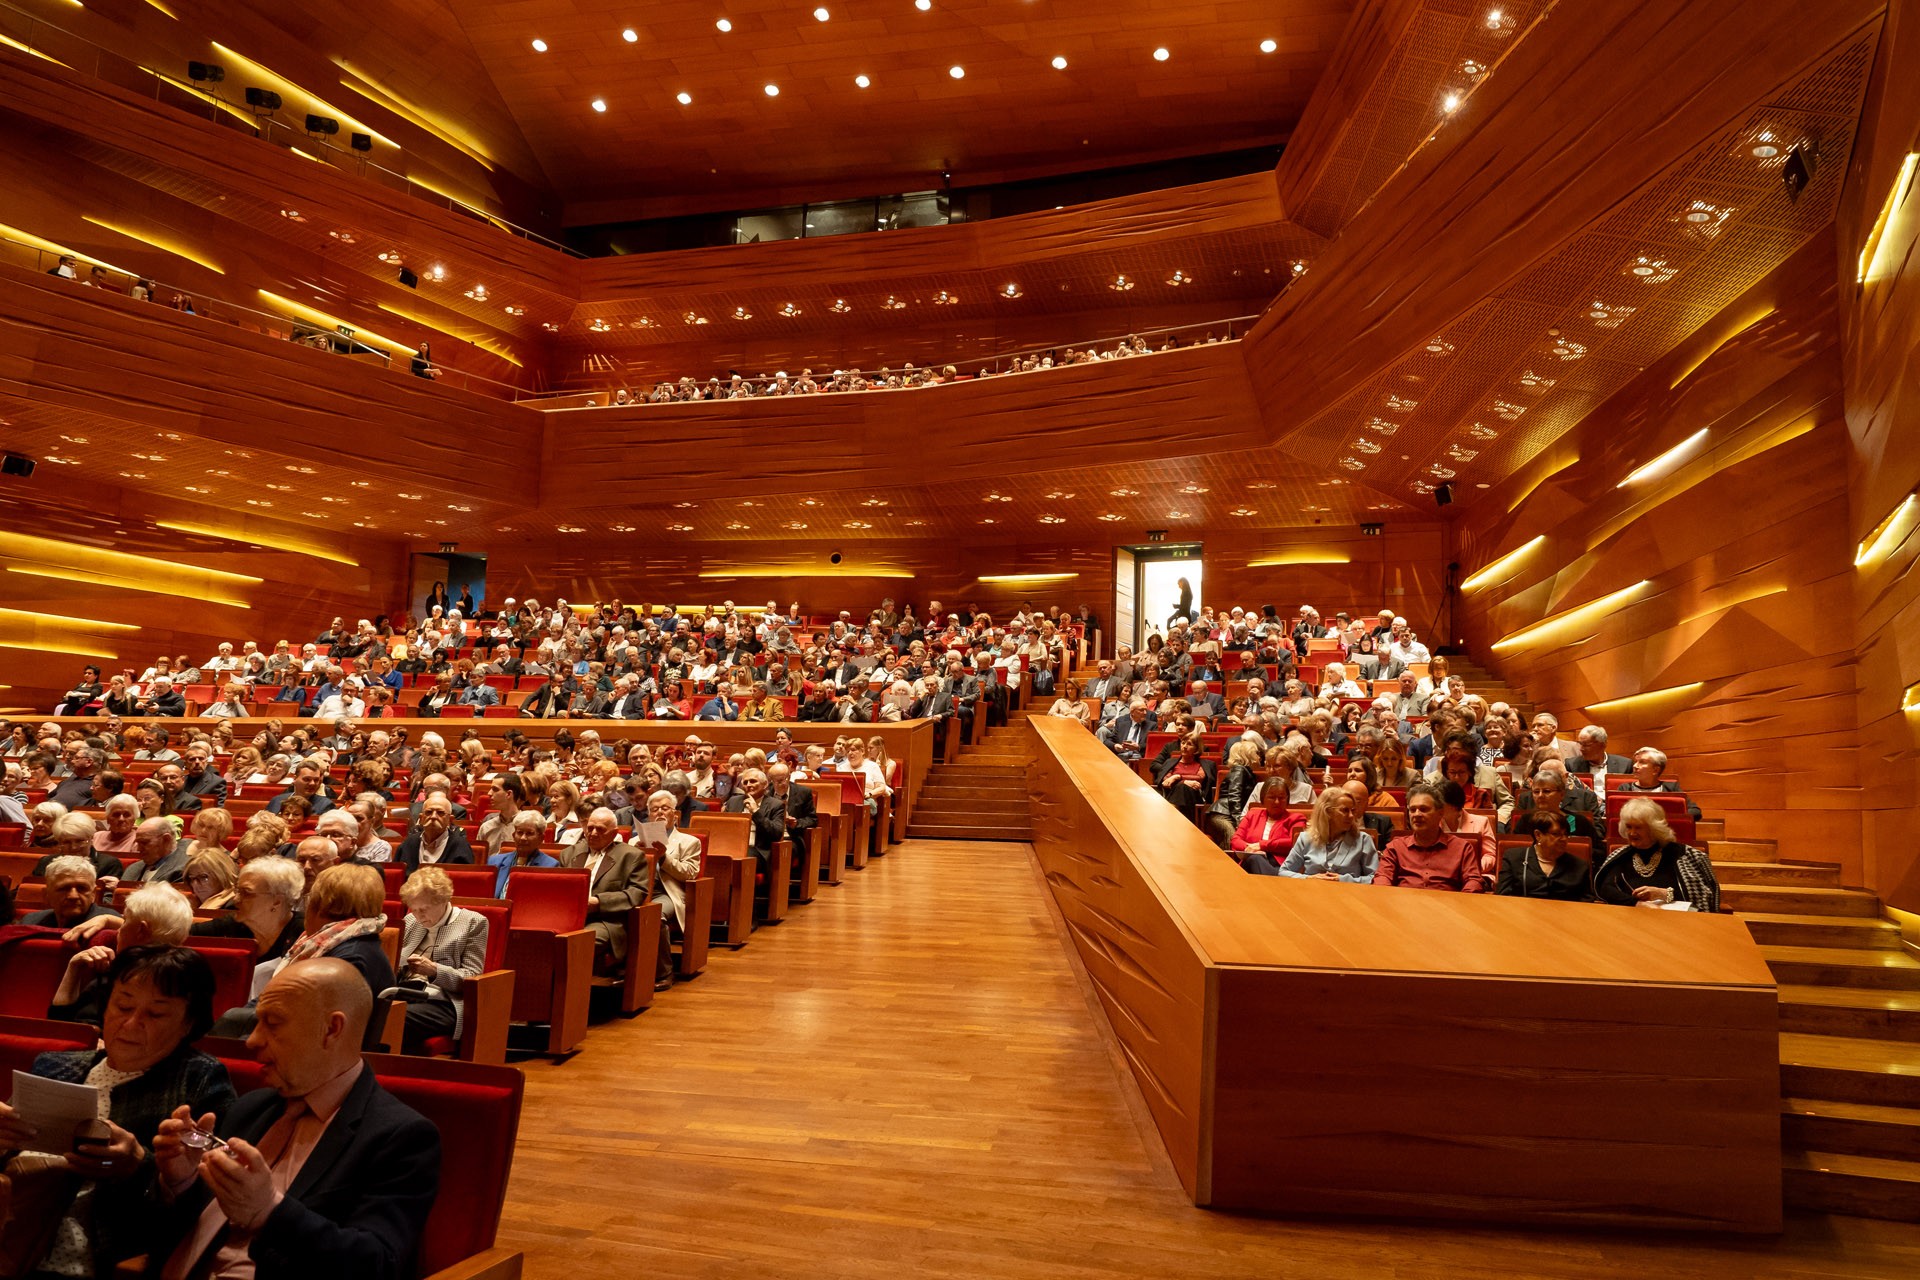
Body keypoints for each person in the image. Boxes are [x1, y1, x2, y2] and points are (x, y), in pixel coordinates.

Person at [147, 957, 440, 1278]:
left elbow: (376, 1265)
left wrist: (268, 1212)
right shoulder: (251, 1107)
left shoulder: (400, 1136)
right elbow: (189, 1233)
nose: (252, 1040)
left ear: (331, 1029)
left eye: (272, 1023)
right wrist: (181, 1182)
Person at [0, 946, 236, 1277]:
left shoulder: (199, 1080)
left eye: (155, 1014)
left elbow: (214, 1205)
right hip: (13, 1237)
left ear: (189, 1023)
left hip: (105, 1261)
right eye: (123, 1005)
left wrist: (139, 1166)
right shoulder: (53, 1065)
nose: (131, 1022)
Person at [390, 866, 489, 1054]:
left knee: (393, 1017)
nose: (418, 916)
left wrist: (434, 970)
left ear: (443, 900)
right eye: (414, 909)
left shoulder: (473, 922)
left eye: (424, 910)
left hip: (444, 1002)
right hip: (405, 992)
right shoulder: (410, 921)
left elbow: (472, 978)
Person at [557, 808, 650, 971]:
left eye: (600, 829)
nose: (593, 833)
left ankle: (571, 987)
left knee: (576, 943)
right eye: (590, 828)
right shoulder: (569, 853)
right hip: (567, 916)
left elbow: (637, 893)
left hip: (606, 921)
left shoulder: (630, 856)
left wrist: (598, 902)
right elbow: (557, 888)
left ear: (614, 833)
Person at [627, 790, 702, 991]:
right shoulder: (634, 842)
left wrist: (663, 857)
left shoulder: (689, 841)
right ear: (648, 816)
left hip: (667, 893)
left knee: (655, 915)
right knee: (617, 911)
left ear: (674, 814)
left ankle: (664, 972)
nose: (659, 812)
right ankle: (625, 969)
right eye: (654, 809)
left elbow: (690, 873)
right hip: (639, 890)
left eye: (665, 808)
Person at [1593, 797, 1720, 911]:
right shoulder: (1620, 856)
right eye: (1629, 827)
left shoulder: (1686, 856)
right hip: (1629, 919)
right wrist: (1636, 903)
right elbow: (1606, 890)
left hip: (1678, 922)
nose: (1632, 833)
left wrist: (1665, 894)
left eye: (1638, 827)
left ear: (1654, 828)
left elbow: (1705, 896)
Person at [1373, 783, 1485, 891]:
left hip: (1447, 902)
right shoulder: (1396, 847)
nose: (1417, 814)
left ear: (1440, 813)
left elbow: (1473, 881)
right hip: (1404, 901)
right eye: (1412, 810)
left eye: (1424, 809)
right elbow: (1382, 877)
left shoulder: (1462, 848)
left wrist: (1462, 901)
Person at [1274, 787, 1378, 882]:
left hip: (1349, 894)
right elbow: (1284, 872)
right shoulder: (1305, 839)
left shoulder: (1363, 840)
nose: (1351, 816)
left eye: (1353, 811)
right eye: (1345, 810)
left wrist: (1344, 879)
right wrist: (1309, 878)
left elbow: (1375, 878)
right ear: (1328, 812)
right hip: (1311, 892)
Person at [1495, 810, 1595, 900]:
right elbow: (1503, 896)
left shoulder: (1580, 866)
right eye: (1556, 834)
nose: (1564, 839)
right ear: (1538, 835)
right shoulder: (1514, 858)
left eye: (1565, 834)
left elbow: (1587, 902)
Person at [22, 856, 118, 928]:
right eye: (64, 888)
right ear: (46, 894)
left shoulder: (111, 924)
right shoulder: (30, 922)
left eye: (82, 888)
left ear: (93, 894)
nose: (73, 896)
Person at [1228, 788, 1307, 873]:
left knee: (1256, 860)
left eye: (1281, 798)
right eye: (1272, 797)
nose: (1277, 802)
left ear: (1287, 800)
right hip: (1250, 860)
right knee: (1254, 858)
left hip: (1279, 865)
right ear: (1263, 799)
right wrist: (1251, 849)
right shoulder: (1252, 815)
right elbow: (1235, 840)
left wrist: (1262, 845)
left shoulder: (1296, 819)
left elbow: (1294, 842)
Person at [1618, 747, 1702, 821]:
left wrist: (1666, 819)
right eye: (1635, 761)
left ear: (1656, 770)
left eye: (1642, 762)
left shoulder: (1671, 788)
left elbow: (1695, 811)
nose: (1635, 766)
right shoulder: (1625, 788)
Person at [394, 793, 475, 870]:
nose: (433, 816)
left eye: (440, 813)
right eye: (429, 812)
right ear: (421, 818)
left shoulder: (461, 846)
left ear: (450, 820)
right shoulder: (408, 843)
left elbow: (465, 878)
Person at [488, 810, 559, 896]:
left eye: (529, 833)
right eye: (520, 832)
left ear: (541, 838)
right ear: (513, 835)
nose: (523, 838)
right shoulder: (494, 862)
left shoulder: (550, 866)